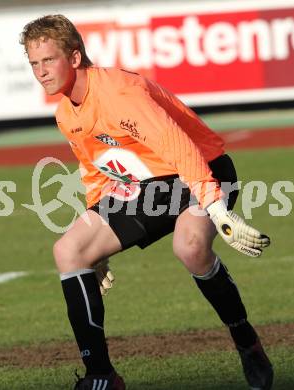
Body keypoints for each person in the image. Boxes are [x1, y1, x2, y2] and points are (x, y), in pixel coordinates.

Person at [20, 14, 273, 390]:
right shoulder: (66, 113)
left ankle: (246, 340)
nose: (41, 71)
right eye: (33, 63)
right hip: (148, 187)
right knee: (70, 250)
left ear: (74, 58)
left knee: (190, 248)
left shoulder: (120, 94)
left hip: (201, 170)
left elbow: (178, 147)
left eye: (48, 60)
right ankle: (101, 376)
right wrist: (97, 245)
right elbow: (96, 171)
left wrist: (215, 206)